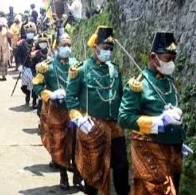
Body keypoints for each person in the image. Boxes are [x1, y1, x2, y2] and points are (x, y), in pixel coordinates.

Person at [65, 26, 130, 195]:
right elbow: (70, 98)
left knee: (121, 166)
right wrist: (78, 118)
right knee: (92, 168)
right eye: (104, 48)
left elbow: (121, 96)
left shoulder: (114, 69)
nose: (107, 52)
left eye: (110, 49)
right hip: (92, 125)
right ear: (95, 47)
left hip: (115, 126)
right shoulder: (81, 69)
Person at [119, 32, 184, 195]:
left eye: (173, 59)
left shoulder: (169, 82)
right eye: (167, 59)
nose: (171, 63)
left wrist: (179, 137)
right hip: (149, 151)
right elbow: (124, 118)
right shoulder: (139, 84)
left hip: (172, 151)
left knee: (173, 188)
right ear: (154, 57)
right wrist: (158, 121)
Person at [33, 32, 84, 191]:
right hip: (56, 111)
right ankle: (63, 175)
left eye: (69, 45)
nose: (67, 48)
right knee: (59, 144)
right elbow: (36, 85)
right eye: (64, 45)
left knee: (76, 143)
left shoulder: (77, 65)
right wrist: (50, 94)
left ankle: (77, 174)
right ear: (56, 47)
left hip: (73, 110)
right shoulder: (47, 66)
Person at [18, 22, 39, 107]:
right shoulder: (22, 44)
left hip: (34, 68)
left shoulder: (37, 43)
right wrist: (19, 64)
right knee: (24, 86)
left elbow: (43, 52)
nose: (30, 34)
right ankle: (27, 94)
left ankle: (34, 101)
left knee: (34, 86)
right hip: (25, 67)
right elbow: (18, 55)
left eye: (32, 32)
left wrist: (36, 52)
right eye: (28, 32)